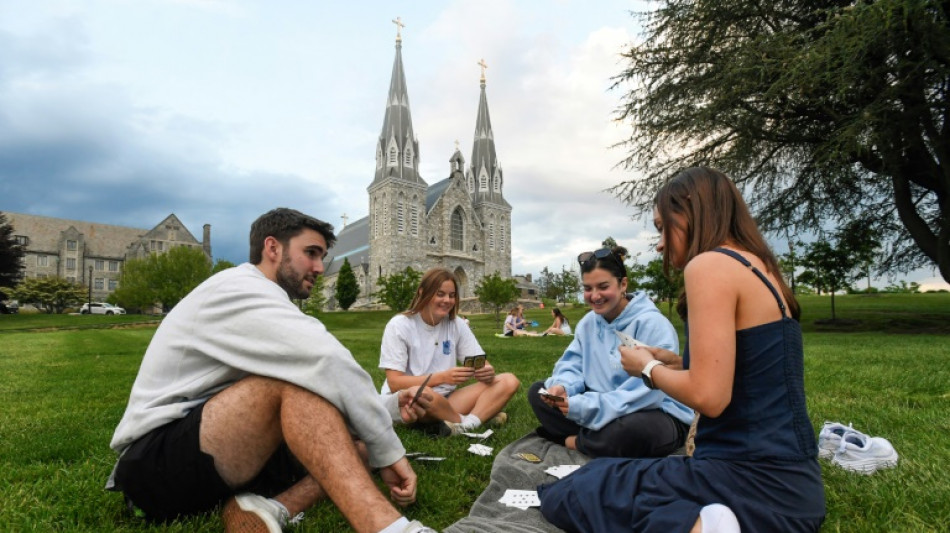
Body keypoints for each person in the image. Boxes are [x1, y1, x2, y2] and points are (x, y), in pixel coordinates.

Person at [107, 208, 435, 533]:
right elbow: (327, 361)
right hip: (156, 466)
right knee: (294, 386)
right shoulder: (239, 289)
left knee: (354, 450)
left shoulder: (266, 296)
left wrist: (388, 409)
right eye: (311, 253)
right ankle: (389, 528)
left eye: (322, 256)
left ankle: (272, 507)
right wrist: (391, 453)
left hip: (218, 455)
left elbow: (326, 383)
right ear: (273, 248)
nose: (320, 267)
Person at [538, 168, 826, 532]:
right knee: (612, 475)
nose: (659, 243)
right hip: (794, 487)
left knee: (578, 490)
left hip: (749, 481)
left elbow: (709, 396)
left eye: (662, 227)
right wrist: (673, 362)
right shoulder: (759, 267)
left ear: (692, 211)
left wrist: (647, 369)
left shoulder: (709, 265)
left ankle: (709, 524)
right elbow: (746, 370)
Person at [527, 245, 693, 458]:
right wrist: (563, 387)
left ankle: (575, 440)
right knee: (538, 392)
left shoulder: (652, 324)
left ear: (623, 284)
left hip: (651, 410)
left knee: (633, 431)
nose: (594, 296)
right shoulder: (588, 323)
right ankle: (595, 440)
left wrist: (583, 407)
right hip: (598, 402)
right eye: (587, 288)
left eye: (603, 287)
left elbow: (646, 395)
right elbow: (572, 364)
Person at [379, 267, 521, 435]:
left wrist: (487, 372)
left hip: (447, 400)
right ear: (422, 293)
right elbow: (395, 383)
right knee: (423, 394)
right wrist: (443, 377)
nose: (447, 300)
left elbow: (481, 363)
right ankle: (474, 417)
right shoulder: (400, 325)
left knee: (509, 381)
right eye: (440, 294)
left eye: (452, 295)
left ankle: (466, 426)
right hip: (409, 400)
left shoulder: (456, 324)